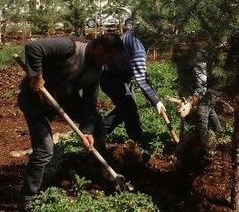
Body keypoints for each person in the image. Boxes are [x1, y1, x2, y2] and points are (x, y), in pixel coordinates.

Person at [17, 33, 126, 208]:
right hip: (35, 99)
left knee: (97, 124)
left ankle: (99, 171)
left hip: (63, 99)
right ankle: (27, 198)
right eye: (109, 57)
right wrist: (36, 76)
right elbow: (33, 47)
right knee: (44, 149)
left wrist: (88, 130)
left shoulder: (96, 70)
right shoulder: (71, 47)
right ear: (99, 49)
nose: (109, 63)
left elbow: (90, 103)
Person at [100, 29, 166, 144]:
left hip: (120, 76)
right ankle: (136, 143)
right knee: (129, 108)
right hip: (111, 78)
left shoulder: (135, 32)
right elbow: (142, 80)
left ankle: (99, 131)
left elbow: (142, 74)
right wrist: (156, 101)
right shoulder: (138, 48)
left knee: (125, 108)